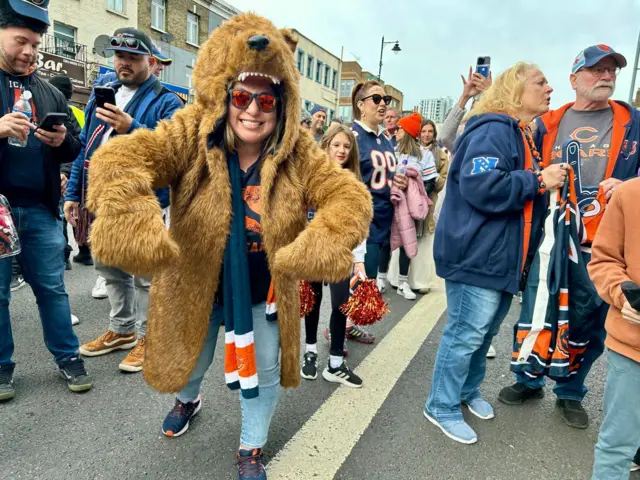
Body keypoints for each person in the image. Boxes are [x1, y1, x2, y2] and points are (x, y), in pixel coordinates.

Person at [84, 14, 372, 480]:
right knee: (190, 360)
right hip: (197, 281)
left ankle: (251, 447)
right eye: (241, 97)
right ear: (225, 96)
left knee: (264, 370)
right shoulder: (193, 130)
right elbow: (128, 156)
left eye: (266, 100)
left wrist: (322, 240)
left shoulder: (297, 148)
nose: (252, 110)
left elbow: (348, 196)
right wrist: (130, 216)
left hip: (265, 290)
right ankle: (189, 398)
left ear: (283, 106)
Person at [424, 62, 568, 445]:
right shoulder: (492, 130)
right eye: (540, 82)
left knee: (482, 334)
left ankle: (466, 392)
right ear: (516, 90)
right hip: (477, 255)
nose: (549, 88)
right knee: (466, 335)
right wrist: (539, 179)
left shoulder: (520, 133)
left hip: (500, 258)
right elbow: (481, 186)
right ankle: (441, 404)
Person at [498, 45, 640, 429]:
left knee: (589, 320)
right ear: (574, 78)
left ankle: (570, 390)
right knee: (535, 311)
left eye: (611, 70)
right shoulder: (547, 122)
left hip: (604, 245)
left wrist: (629, 183)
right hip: (550, 240)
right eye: (596, 70)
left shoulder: (634, 122)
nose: (606, 75)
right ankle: (527, 378)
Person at [63, 27, 183, 374]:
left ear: (150, 60)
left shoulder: (167, 100)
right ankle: (123, 330)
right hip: (102, 199)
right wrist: (74, 194)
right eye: (119, 56)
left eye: (132, 56)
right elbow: (87, 147)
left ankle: (149, 337)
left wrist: (132, 125)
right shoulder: (105, 92)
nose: (123, 62)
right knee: (109, 268)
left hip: (141, 201)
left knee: (145, 276)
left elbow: (171, 155)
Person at [0, 0, 92, 401]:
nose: (29, 52)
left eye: (35, 44)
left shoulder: (49, 90)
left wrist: (63, 142)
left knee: (53, 289)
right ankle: (2, 367)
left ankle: (68, 357)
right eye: (21, 41)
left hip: (39, 208)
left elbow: (76, 144)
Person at [301, 124, 366, 388]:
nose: (341, 150)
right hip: (314, 250)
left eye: (346, 146)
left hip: (341, 254)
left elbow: (359, 226)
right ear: (326, 146)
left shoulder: (354, 182)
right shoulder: (310, 176)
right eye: (336, 145)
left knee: (341, 303)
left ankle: (336, 363)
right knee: (312, 302)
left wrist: (359, 259)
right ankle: (311, 351)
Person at [588, 177, 640, 479]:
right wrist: (624, 296)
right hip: (632, 347)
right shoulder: (630, 193)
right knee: (617, 445)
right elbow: (603, 259)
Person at [351, 80, 405, 343]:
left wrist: (398, 181)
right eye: (376, 99)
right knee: (360, 277)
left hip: (384, 216)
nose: (383, 103)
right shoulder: (352, 135)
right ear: (361, 105)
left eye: (386, 100)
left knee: (368, 278)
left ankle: (348, 324)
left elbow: (384, 174)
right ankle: (341, 328)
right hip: (362, 220)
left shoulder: (385, 139)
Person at [382, 113, 437, 301]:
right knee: (386, 240)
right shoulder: (391, 150)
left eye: (400, 129)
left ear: (407, 132)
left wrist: (413, 186)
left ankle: (403, 281)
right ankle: (380, 278)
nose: (396, 131)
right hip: (391, 201)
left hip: (409, 205)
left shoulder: (425, 155)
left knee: (407, 241)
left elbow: (431, 182)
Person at [49, 74, 84, 272]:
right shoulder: (77, 111)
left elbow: (76, 144)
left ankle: (64, 255)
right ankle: (79, 251)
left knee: (64, 213)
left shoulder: (62, 112)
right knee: (72, 212)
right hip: (72, 170)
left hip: (66, 171)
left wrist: (65, 172)